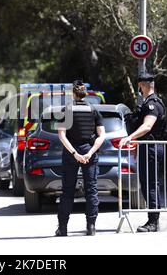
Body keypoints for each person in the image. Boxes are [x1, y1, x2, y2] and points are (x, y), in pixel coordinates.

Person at [55, 80, 106, 236]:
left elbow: (61, 135)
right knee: (91, 190)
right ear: (85, 94)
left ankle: (63, 228)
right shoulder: (93, 110)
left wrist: (74, 154)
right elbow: (101, 135)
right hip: (89, 152)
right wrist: (89, 153)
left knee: (68, 191)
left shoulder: (66, 110)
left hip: (72, 154)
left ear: (73, 94)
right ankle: (91, 227)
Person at [119, 72, 167, 232]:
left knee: (150, 185)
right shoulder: (152, 102)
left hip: (152, 148)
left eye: (139, 86)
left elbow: (147, 126)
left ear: (143, 85)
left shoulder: (152, 104)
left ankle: (153, 222)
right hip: (148, 147)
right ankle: (153, 220)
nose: (139, 89)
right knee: (149, 184)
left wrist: (130, 138)